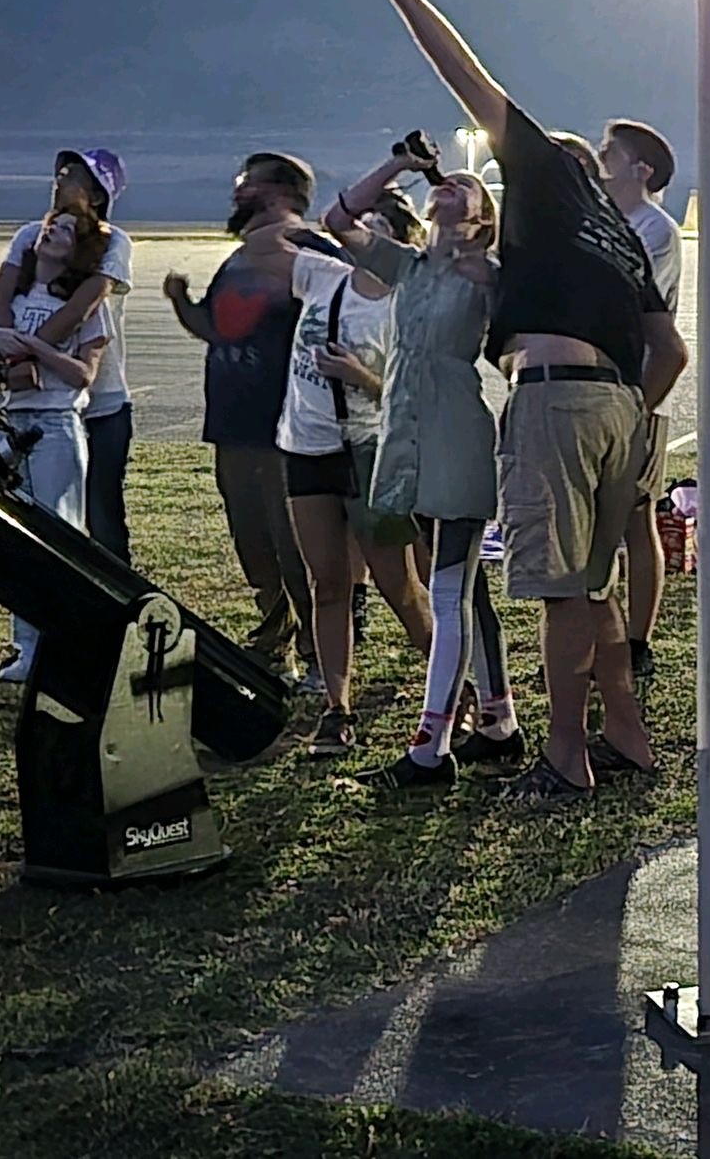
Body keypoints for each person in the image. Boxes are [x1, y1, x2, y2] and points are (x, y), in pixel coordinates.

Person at [348, 0, 689, 803]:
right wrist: (633, 415)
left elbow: (469, 76)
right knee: (600, 587)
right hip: (623, 412)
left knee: (557, 590)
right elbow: (671, 349)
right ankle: (627, 738)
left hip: (557, 405)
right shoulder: (618, 236)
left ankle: (565, 756)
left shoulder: (548, 180)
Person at [322, 147, 520, 789]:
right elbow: (339, 216)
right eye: (447, 182)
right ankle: (499, 719)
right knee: (464, 588)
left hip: (455, 429)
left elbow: (515, 304)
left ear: (483, 219)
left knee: (447, 589)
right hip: (406, 429)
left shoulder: (486, 272)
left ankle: (431, 746)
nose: (452, 186)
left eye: (469, 187)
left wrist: (488, 264)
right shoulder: (407, 265)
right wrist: (398, 164)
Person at [163, 154, 343, 678]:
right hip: (233, 426)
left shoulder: (313, 253)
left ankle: (319, 654)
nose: (238, 192)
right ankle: (274, 637)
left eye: (249, 184)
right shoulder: (238, 261)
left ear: (283, 193)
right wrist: (181, 303)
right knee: (253, 542)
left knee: (295, 547)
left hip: (286, 430)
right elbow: (219, 330)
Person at [274, 188, 434, 758]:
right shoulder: (324, 276)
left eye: (374, 227)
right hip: (307, 448)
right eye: (358, 226)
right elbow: (274, 240)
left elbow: (415, 398)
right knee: (329, 583)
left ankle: (451, 692)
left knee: (399, 585)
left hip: (370, 454)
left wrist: (360, 377)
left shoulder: (407, 305)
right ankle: (337, 710)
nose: (359, 235)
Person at [0, 149, 134, 562]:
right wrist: (4, 350)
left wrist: (28, 356)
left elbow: (84, 304)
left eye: (71, 176)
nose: (59, 181)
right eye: (61, 173)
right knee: (27, 512)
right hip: (29, 401)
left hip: (99, 402)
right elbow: (0, 300)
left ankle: (113, 611)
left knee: (100, 517)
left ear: (96, 195)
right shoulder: (31, 235)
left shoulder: (113, 242)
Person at [0, 207, 110, 682]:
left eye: (65, 229)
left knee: (57, 533)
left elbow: (84, 374)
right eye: (48, 226)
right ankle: (28, 645)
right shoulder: (12, 303)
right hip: (12, 421)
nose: (52, 232)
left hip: (57, 421)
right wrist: (8, 367)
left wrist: (36, 348)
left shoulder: (82, 308)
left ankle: (67, 640)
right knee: (17, 535)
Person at [600, 119, 684, 691]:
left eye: (610, 153)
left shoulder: (655, 229)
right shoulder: (609, 221)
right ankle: (598, 634)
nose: (601, 161)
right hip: (597, 389)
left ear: (641, 170)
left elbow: (630, 302)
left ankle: (637, 639)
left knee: (635, 518)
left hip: (638, 387)